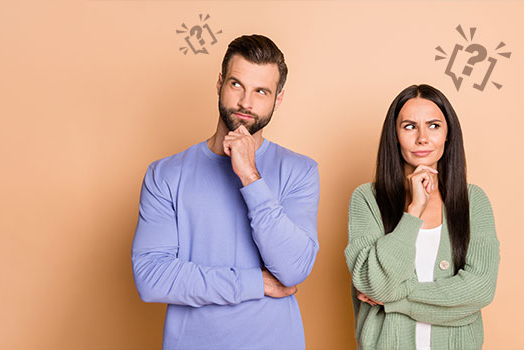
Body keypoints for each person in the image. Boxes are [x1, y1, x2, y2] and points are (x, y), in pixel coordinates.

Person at [131, 34, 319, 350]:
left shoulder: (300, 171)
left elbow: (293, 269)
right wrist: (254, 283)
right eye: (237, 85)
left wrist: (250, 176)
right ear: (219, 83)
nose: (247, 102)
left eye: (261, 91)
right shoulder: (165, 174)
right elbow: (151, 277)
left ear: (278, 98)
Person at [344, 84, 499, 349]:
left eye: (434, 125)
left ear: (448, 134)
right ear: (394, 135)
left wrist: (393, 301)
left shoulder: (474, 201)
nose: (422, 138)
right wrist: (414, 210)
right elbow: (376, 284)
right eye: (409, 126)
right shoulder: (367, 199)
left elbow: (479, 289)